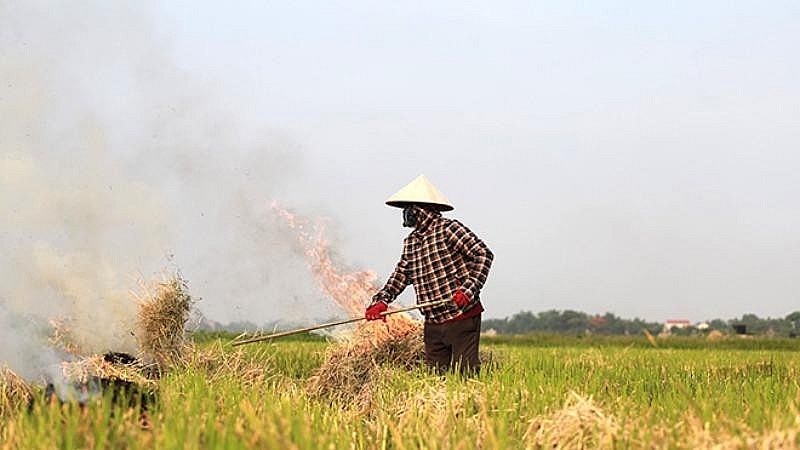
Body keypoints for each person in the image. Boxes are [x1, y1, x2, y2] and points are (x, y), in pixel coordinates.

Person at [365, 174, 494, 375]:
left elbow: (483, 254)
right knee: (435, 379)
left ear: (420, 209)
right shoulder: (411, 242)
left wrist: (467, 290)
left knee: (465, 375)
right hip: (433, 323)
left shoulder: (449, 229)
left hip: (462, 317)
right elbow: (401, 275)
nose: (405, 214)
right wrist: (381, 301)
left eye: (408, 208)